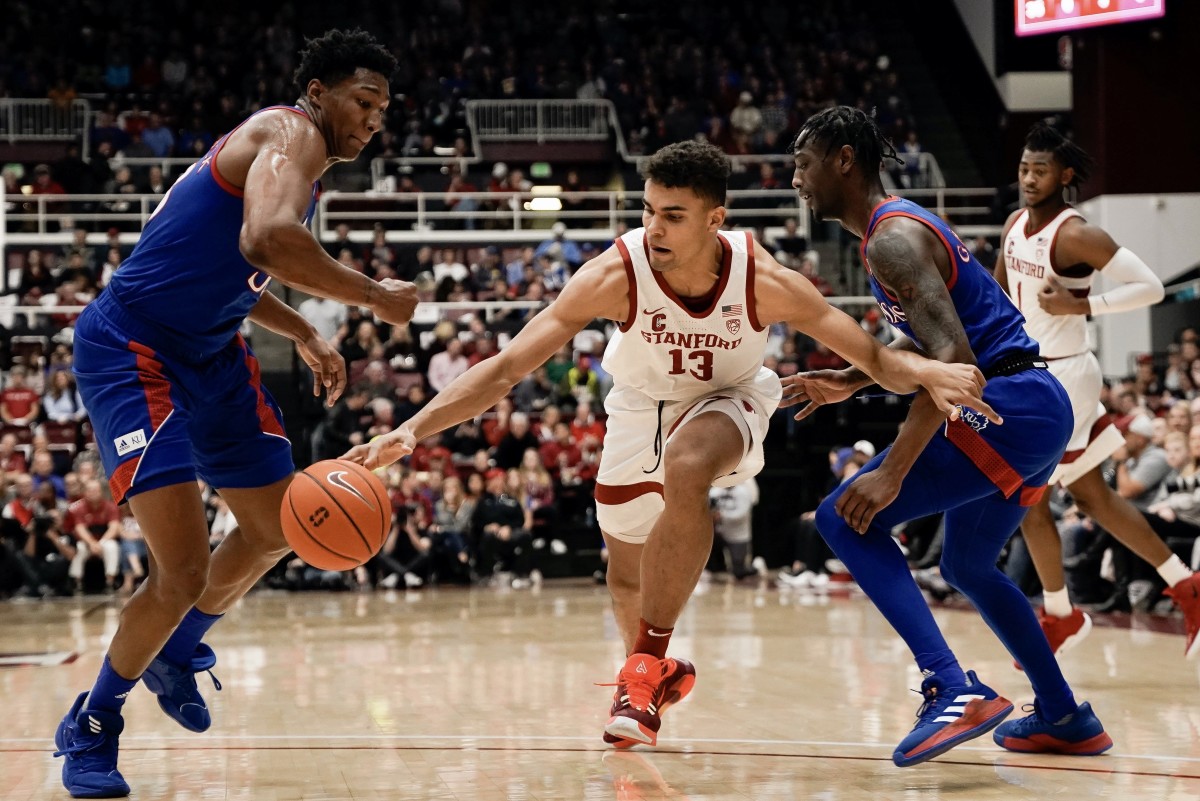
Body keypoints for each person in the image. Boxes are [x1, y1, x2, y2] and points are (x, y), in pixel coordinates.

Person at [345, 139, 993, 750]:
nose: (654, 228)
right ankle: (646, 679)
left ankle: (645, 664)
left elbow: (872, 354)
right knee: (626, 570)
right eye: (649, 211)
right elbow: (510, 364)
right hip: (637, 408)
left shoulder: (761, 278)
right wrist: (410, 428)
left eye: (673, 216)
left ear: (715, 218)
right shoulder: (613, 274)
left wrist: (929, 372)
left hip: (729, 400)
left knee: (687, 464)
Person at [53, 29, 417, 799]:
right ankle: (91, 721)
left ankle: (177, 651)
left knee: (272, 527)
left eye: (384, 108)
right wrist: (373, 296)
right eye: (364, 100)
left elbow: (236, 267)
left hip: (208, 348)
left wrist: (306, 330)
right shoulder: (287, 134)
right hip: (133, 346)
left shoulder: (294, 159)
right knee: (182, 568)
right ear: (317, 93)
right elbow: (266, 239)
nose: (375, 118)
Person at [784, 106, 1111, 767]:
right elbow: (928, 343)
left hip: (1006, 403)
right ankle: (1064, 714)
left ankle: (949, 685)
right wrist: (854, 377)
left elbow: (953, 365)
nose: (796, 178)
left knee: (845, 518)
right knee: (964, 564)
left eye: (802, 161)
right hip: (1032, 406)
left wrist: (893, 469)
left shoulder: (891, 239)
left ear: (843, 158)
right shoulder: (898, 227)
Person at [994, 122, 1199, 657]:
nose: (1029, 178)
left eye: (1040, 170)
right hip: (1029, 374)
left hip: (1062, 376)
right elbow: (996, 296)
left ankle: (1060, 613)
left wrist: (1084, 305)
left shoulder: (1076, 233)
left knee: (1025, 495)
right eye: (1023, 168)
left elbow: (1151, 285)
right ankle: (1184, 582)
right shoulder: (1015, 224)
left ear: (1063, 175)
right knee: (1091, 496)